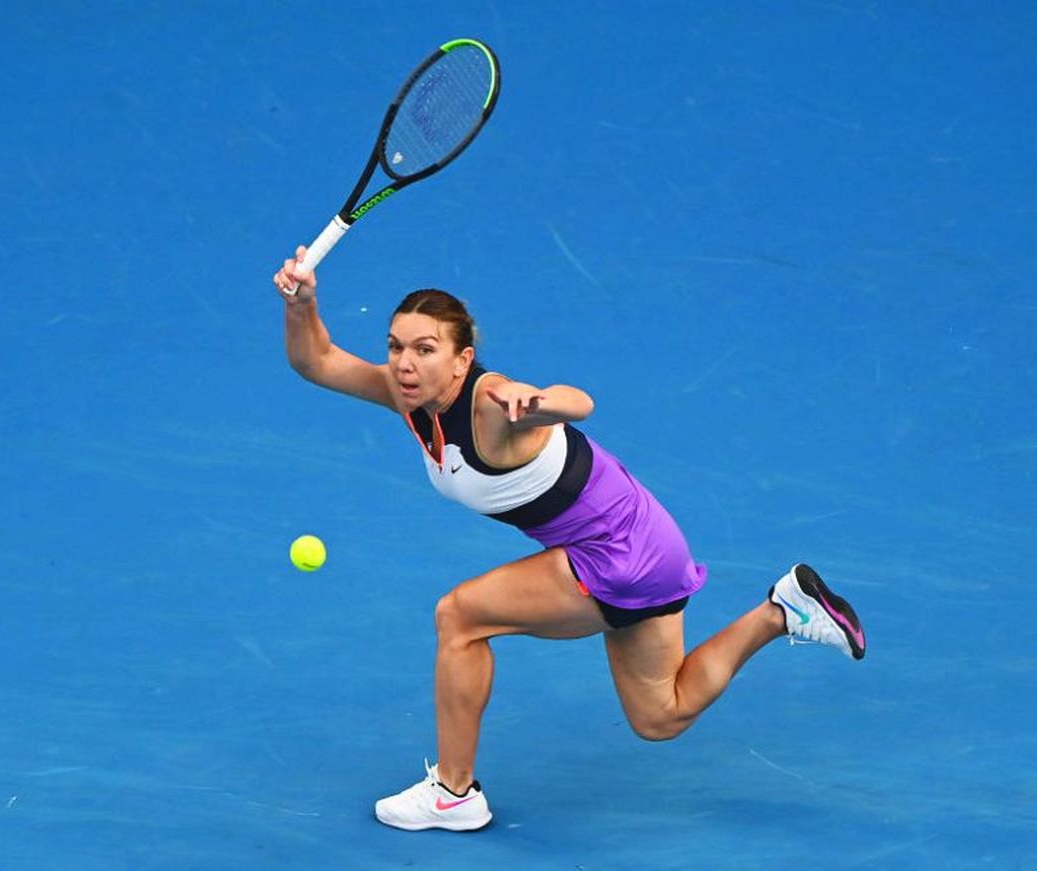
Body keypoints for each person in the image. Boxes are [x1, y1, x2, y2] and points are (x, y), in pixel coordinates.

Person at [272, 246, 866, 832]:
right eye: (396, 346)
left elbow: (579, 403)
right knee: (660, 716)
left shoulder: (488, 402)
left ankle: (454, 793)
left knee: (460, 617)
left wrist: (534, 401)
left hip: (617, 554)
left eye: (426, 350)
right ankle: (781, 610)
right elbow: (316, 361)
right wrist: (304, 302)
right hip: (651, 541)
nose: (405, 362)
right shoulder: (409, 398)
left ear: (462, 360)